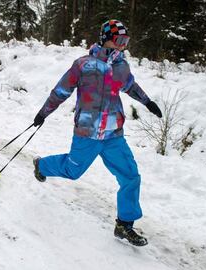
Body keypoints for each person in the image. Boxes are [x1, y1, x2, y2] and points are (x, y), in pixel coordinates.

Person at [32, 19, 162, 247]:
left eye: (126, 41)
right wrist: (43, 113)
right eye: (119, 40)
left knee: (130, 176)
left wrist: (148, 102)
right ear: (106, 38)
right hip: (87, 132)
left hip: (114, 135)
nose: (123, 45)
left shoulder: (122, 66)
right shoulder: (83, 65)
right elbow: (61, 91)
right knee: (73, 171)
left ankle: (125, 224)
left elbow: (130, 86)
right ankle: (42, 165)